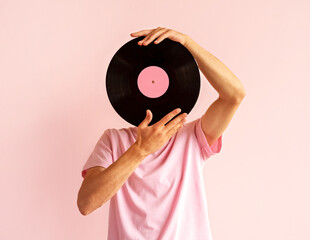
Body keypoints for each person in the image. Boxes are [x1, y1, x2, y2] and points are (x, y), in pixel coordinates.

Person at [77, 27, 246, 240]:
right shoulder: (113, 140)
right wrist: (140, 150)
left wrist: (188, 44)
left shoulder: (192, 136)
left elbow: (235, 94)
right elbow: (86, 203)